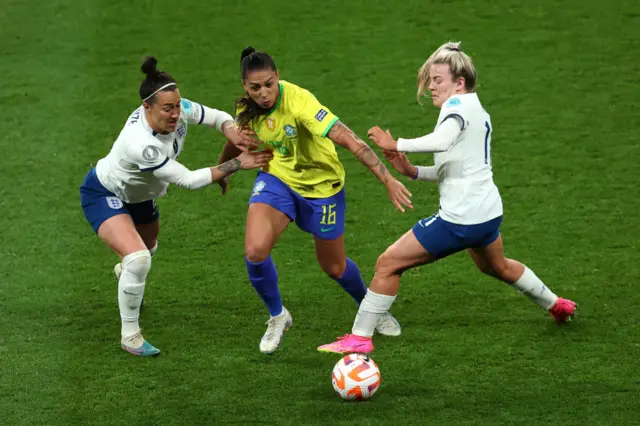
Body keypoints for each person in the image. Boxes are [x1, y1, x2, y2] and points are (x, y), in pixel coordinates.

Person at [317, 42, 577, 355]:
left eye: (437, 79)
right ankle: (557, 304)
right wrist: (412, 171)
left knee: (388, 264)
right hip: (488, 214)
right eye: (430, 79)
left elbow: (441, 142)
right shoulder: (477, 110)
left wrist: (395, 142)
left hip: (461, 219)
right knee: (498, 267)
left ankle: (360, 337)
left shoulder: (456, 107)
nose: (430, 86)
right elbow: (457, 166)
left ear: (460, 82)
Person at [216, 47, 413, 354]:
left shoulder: (300, 103)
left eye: (269, 84)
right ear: (245, 86)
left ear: (277, 77)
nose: (264, 93)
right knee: (254, 251)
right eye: (255, 88)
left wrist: (387, 178)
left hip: (323, 189)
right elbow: (239, 138)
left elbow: (349, 138)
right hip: (277, 180)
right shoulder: (248, 110)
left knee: (333, 266)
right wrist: (224, 170)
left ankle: (370, 306)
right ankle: (278, 316)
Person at [79, 56, 272, 357]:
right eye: (167, 108)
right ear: (147, 107)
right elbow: (188, 180)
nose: (175, 113)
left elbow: (214, 115)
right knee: (139, 259)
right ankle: (130, 336)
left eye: (177, 105)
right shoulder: (140, 143)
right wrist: (236, 163)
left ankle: (125, 275)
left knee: (148, 249)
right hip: (104, 192)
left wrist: (230, 130)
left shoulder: (178, 109)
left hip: (141, 197)